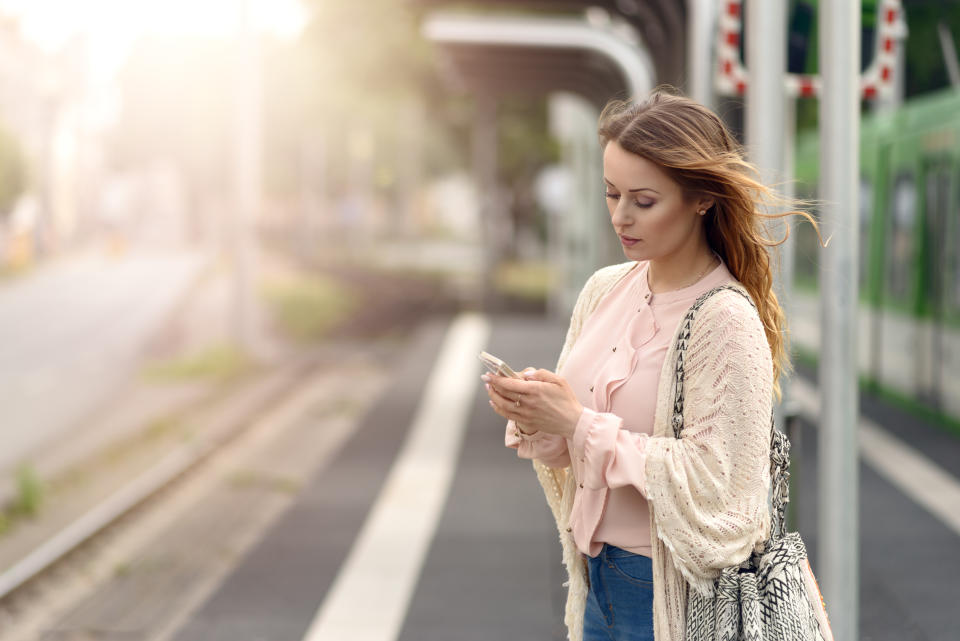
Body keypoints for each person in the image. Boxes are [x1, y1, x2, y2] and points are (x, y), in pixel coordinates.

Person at [481, 89, 820, 641]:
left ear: (702, 199)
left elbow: (722, 490)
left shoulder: (725, 319)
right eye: (611, 194)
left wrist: (576, 422)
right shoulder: (603, 290)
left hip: (675, 601)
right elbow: (579, 454)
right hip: (598, 586)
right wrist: (539, 414)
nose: (620, 216)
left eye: (643, 200)